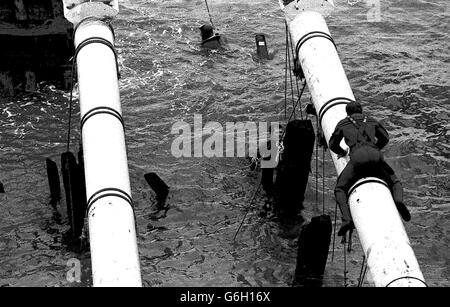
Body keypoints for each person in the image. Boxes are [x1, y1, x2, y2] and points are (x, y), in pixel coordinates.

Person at [329, 101, 411, 236]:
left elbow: (333, 144)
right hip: (375, 154)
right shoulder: (371, 120)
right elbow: (385, 138)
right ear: (361, 110)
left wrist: (343, 152)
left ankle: (347, 220)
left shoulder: (343, 124)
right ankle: (398, 201)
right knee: (394, 181)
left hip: (357, 157)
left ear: (347, 112)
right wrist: (375, 149)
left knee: (340, 188)